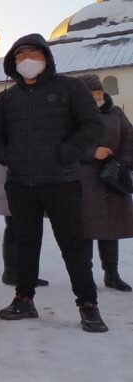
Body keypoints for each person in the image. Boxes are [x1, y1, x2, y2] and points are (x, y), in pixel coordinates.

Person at [0, 34, 108, 332]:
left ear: (45, 57)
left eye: (33, 54)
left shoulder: (70, 88)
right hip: (21, 184)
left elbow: (93, 125)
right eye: (19, 56)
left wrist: (68, 152)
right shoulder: (7, 98)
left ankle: (88, 305)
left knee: (74, 244)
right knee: (26, 243)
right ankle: (24, 298)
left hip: (61, 181)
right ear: (13, 62)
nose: (26, 61)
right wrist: (7, 157)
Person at [77, 74, 133, 292]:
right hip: (86, 178)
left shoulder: (116, 113)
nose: (97, 97)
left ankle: (112, 273)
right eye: (92, 95)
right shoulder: (73, 117)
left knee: (111, 227)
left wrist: (125, 163)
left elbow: (130, 137)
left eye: (99, 93)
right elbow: (66, 144)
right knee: (87, 228)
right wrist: (92, 153)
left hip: (113, 178)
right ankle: (85, 275)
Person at [0, 162, 50, 287]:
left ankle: (17, 272)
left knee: (18, 227)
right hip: (13, 176)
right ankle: (14, 272)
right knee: (17, 227)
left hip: (17, 175)